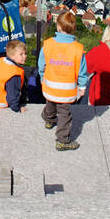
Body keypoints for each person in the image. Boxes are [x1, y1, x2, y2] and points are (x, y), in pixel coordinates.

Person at [39, 11, 89, 151]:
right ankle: (62, 141)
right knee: (64, 116)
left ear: (58, 26)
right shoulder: (78, 50)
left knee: (50, 103)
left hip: (49, 85)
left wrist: (42, 76)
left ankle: (48, 120)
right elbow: (82, 72)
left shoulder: (48, 44)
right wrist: (82, 87)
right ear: (73, 28)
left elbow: (41, 63)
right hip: (66, 91)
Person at [0, 39, 28, 113]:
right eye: (21, 54)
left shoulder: (0, 60)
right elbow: (12, 96)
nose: (25, 56)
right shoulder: (14, 74)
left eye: (25, 53)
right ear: (12, 56)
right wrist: (17, 108)